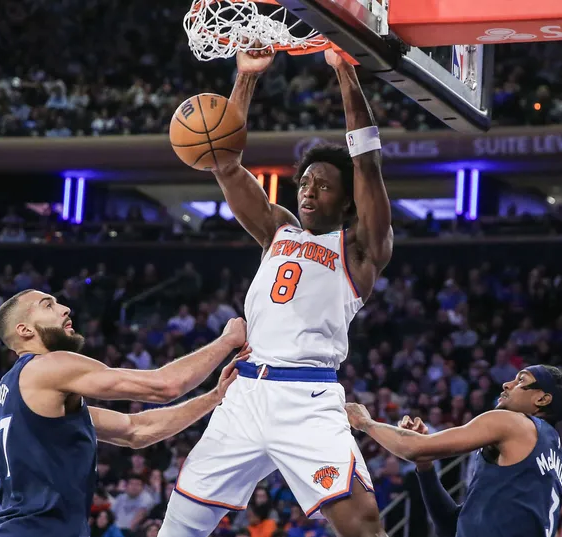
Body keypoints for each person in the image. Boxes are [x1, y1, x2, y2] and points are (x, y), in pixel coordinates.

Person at [159, 47, 393, 537]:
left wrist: (346, 72)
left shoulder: (360, 250)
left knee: (363, 522)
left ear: (348, 200)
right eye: (304, 182)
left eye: (323, 186)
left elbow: (367, 162)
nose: (307, 191)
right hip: (244, 393)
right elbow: (224, 163)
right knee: (182, 522)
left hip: (306, 396)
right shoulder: (278, 230)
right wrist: (245, 79)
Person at [0, 289, 248, 536]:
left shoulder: (10, 390)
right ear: (24, 330)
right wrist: (226, 342)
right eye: (48, 305)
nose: (65, 309)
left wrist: (214, 397)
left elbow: (136, 430)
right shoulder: (48, 365)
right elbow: (165, 386)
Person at [345, 365, 562, 537]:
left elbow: (410, 447)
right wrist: (425, 466)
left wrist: (365, 423)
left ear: (543, 399)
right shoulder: (555, 464)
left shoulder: (514, 423)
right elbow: (450, 527)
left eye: (521, 381)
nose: (508, 385)